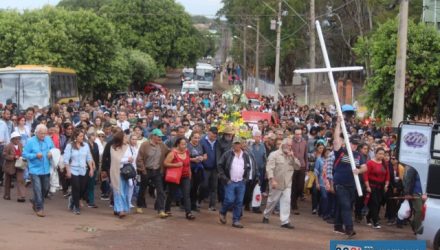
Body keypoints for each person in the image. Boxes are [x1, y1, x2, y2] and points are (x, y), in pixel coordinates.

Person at [332, 117, 367, 237]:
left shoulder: (359, 155)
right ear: (348, 142)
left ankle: (337, 225)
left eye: (357, 144)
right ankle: (349, 228)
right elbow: (336, 139)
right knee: (346, 205)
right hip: (340, 183)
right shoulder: (341, 151)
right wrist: (338, 124)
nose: (355, 146)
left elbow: (365, 167)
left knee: (344, 205)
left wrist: (359, 170)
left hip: (352, 185)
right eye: (353, 143)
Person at [262, 138, 300, 229]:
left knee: (286, 201)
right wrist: (272, 179)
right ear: (283, 144)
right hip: (276, 182)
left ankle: (285, 221)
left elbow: (298, 167)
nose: (289, 147)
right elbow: (269, 168)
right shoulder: (274, 154)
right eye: (288, 145)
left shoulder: (291, 156)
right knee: (272, 201)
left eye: (291, 145)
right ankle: (266, 215)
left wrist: (293, 157)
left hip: (287, 183)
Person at [218, 136, 252, 229]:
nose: (236, 145)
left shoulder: (245, 155)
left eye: (238, 143)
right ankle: (223, 212)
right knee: (229, 199)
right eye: (235, 143)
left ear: (241, 145)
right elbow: (220, 166)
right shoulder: (227, 154)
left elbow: (248, 167)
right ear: (232, 144)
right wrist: (225, 178)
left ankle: (236, 220)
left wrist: (245, 179)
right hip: (230, 181)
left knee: (239, 201)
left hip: (241, 182)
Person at [135, 128, 169, 218]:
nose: (160, 138)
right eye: (158, 136)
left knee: (160, 190)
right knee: (143, 189)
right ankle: (139, 205)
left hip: (157, 171)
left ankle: (161, 210)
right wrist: (143, 169)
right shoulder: (145, 144)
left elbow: (169, 152)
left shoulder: (162, 145)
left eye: (161, 136)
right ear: (153, 136)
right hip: (146, 170)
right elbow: (139, 158)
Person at [23, 124, 55, 217]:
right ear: (36, 133)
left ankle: (34, 200)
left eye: (45, 133)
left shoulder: (48, 139)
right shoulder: (30, 141)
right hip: (34, 170)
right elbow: (24, 154)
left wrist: (51, 153)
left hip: (46, 169)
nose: (43, 135)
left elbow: (53, 149)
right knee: (37, 189)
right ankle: (40, 208)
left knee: (45, 189)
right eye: (41, 133)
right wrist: (35, 155)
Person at [63, 128, 94, 215]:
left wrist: (91, 168)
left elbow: (89, 158)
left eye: (83, 136)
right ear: (75, 137)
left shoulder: (86, 145)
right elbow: (66, 160)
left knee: (82, 189)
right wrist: (68, 171)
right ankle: (76, 207)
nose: (82, 137)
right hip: (73, 169)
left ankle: (73, 199)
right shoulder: (70, 146)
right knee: (76, 188)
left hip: (83, 169)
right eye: (80, 136)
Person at [164, 137, 196, 220]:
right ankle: (167, 209)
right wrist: (176, 165)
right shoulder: (173, 153)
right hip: (175, 176)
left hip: (185, 176)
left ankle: (188, 213)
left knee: (186, 194)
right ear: (178, 144)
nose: (184, 146)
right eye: (182, 144)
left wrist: (190, 173)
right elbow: (165, 163)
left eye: (185, 144)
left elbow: (188, 163)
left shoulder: (187, 152)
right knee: (171, 193)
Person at [364, 147, 389, 229]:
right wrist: (367, 186)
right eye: (380, 154)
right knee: (374, 203)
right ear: (376, 153)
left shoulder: (384, 163)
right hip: (372, 186)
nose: (381, 156)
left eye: (383, 154)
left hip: (381, 187)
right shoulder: (370, 163)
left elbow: (387, 175)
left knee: (378, 203)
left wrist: (386, 184)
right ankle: (375, 222)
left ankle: (368, 217)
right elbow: (366, 175)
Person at [109, 130, 130, 218]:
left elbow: (130, 157)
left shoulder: (127, 147)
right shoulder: (113, 148)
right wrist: (126, 160)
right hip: (116, 172)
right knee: (118, 190)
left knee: (124, 191)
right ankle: (120, 210)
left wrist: (127, 160)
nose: (126, 138)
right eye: (124, 137)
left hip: (126, 172)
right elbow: (117, 160)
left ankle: (118, 208)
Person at [187, 131, 207, 211]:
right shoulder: (187, 145)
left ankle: (193, 204)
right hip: (189, 168)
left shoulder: (201, 145)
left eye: (198, 138)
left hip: (199, 169)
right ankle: (186, 204)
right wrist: (193, 159)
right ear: (191, 137)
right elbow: (183, 157)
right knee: (189, 187)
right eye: (195, 138)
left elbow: (205, 155)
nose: (197, 139)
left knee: (196, 187)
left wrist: (202, 158)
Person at [2, 132, 25, 201]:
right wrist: (13, 157)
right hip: (10, 165)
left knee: (20, 180)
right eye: (16, 139)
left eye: (19, 139)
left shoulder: (20, 145)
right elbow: (4, 155)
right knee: (7, 181)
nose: (18, 140)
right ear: (12, 139)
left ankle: (21, 196)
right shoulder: (8, 146)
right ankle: (6, 195)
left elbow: (23, 152)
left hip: (19, 164)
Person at [200, 126, 219, 211]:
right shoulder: (202, 141)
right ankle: (199, 199)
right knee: (204, 185)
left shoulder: (218, 142)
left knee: (214, 187)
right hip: (205, 167)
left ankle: (212, 205)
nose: (214, 136)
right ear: (209, 132)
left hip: (214, 168)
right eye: (213, 134)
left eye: (215, 134)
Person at [291, 127, 308, 214]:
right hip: (293, 167)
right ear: (294, 134)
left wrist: (306, 167)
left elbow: (306, 155)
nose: (298, 136)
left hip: (302, 166)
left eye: (300, 134)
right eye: (297, 134)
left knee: (300, 186)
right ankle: (293, 204)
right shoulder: (291, 142)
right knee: (293, 186)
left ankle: (295, 199)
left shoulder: (304, 142)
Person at [86, 131, 100, 208]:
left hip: (94, 167)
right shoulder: (85, 145)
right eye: (93, 136)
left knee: (91, 184)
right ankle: (88, 200)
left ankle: (91, 201)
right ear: (89, 136)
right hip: (87, 167)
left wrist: (97, 167)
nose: (94, 137)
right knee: (86, 184)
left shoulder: (96, 145)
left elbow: (97, 157)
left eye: (95, 136)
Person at [126, 134, 139, 208]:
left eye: (135, 139)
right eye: (133, 139)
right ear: (130, 139)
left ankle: (129, 201)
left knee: (132, 186)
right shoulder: (127, 148)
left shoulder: (136, 148)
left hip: (135, 169)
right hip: (128, 169)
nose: (134, 141)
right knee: (129, 185)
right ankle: (126, 201)